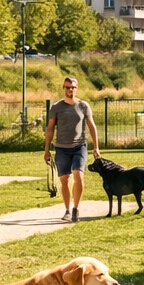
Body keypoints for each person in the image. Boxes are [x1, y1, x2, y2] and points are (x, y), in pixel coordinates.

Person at [44, 76, 99, 222]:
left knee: (78, 175)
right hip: (61, 148)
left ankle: (76, 209)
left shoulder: (84, 106)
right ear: (64, 88)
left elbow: (92, 126)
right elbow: (50, 129)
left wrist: (96, 147)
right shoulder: (56, 107)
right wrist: (46, 150)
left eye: (73, 87)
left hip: (79, 146)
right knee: (64, 179)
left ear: (76, 88)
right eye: (68, 87)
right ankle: (67, 210)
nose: (70, 90)